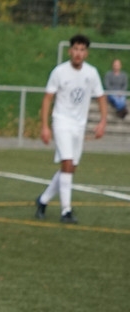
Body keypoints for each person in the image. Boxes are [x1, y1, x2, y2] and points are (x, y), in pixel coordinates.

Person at [34, 34, 106, 225]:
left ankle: (43, 200)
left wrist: (102, 122)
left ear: (86, 53)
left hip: (79, 126)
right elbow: (47, 98)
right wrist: (44, 126)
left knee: (70, 168)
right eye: (75, 49)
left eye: (82, 50)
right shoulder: (59, 72)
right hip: (61, 122)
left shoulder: (91, 73)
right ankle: (66, 210)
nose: (78, 53)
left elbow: (101, 97)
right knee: (66, 162)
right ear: (69, 51)